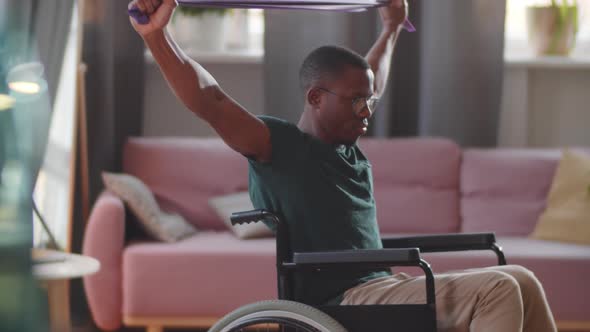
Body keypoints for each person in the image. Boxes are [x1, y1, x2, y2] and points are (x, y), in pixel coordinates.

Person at [128, 0, 557, 331]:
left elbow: (371, 77)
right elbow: (211, 100)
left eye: (367, 102)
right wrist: (156, 37)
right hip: (345, 299)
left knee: (521, 277)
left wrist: (390, 29)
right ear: (315, 97)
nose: (367, 111)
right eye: (357, 102)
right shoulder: (281, 147)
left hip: (384, 286)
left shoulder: (346, 145)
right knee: (499, 288)